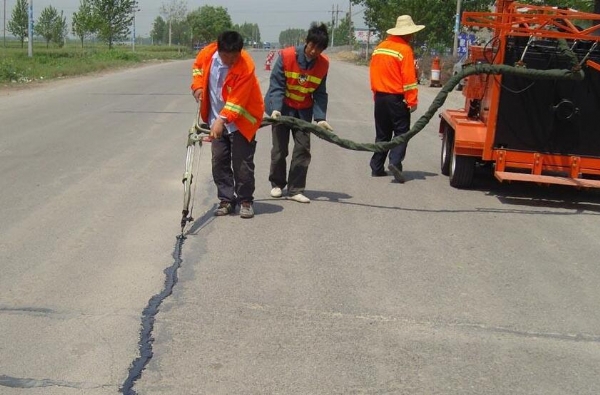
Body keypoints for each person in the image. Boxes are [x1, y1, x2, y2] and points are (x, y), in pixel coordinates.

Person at [191, 30, 265, 218]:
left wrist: (221, 120)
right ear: (219, 49)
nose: (231, 61)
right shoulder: (207, 54)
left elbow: (237, 101)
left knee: (242, 163)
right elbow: (198, 69)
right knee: (219, 160)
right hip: (216, 117)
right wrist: (198, 87)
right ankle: (226, 200)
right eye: (227, 57)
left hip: (241, 120)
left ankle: (245, 201)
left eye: (235, 57)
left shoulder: (246, 66)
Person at [264, 22, 332, 204]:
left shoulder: (323, 65)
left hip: (303, 109)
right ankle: (277, 184)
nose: (314, 52)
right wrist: (276, 108)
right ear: (306, 42)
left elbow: (319, 92)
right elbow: (276, 84)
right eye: (312, 46)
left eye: (319, 49)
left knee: (302, 148)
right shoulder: (286, 56)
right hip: (282, 107)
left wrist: (320, 118)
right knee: (280, 148)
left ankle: (295, 189)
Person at [369, 15, 425, 183]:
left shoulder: (380, 48)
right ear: (407, 34)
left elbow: (373, 74)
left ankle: (376, 167)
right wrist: (412, 101)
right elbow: (408, 79)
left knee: (382, 133)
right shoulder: (404, 50)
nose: (412, 36)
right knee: (401, 132)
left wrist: (376, 95)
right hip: (396, 98)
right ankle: (394, 162)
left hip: (380, 97)